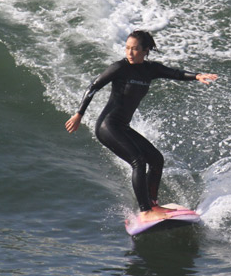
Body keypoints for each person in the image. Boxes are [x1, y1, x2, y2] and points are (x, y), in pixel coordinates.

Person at [65, 30, 218, 222]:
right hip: (108, 126)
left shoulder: (150, 69)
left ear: (145, 50)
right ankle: (146, 211)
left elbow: (175, 73)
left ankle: (152, 204)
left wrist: (196, 76)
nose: (129, 53)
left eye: (135, 49)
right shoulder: (119, 67)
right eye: (127, 48)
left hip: (122, 126)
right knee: (138, 161)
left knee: (156, 159)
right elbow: (93, 86)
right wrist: (79, 113)